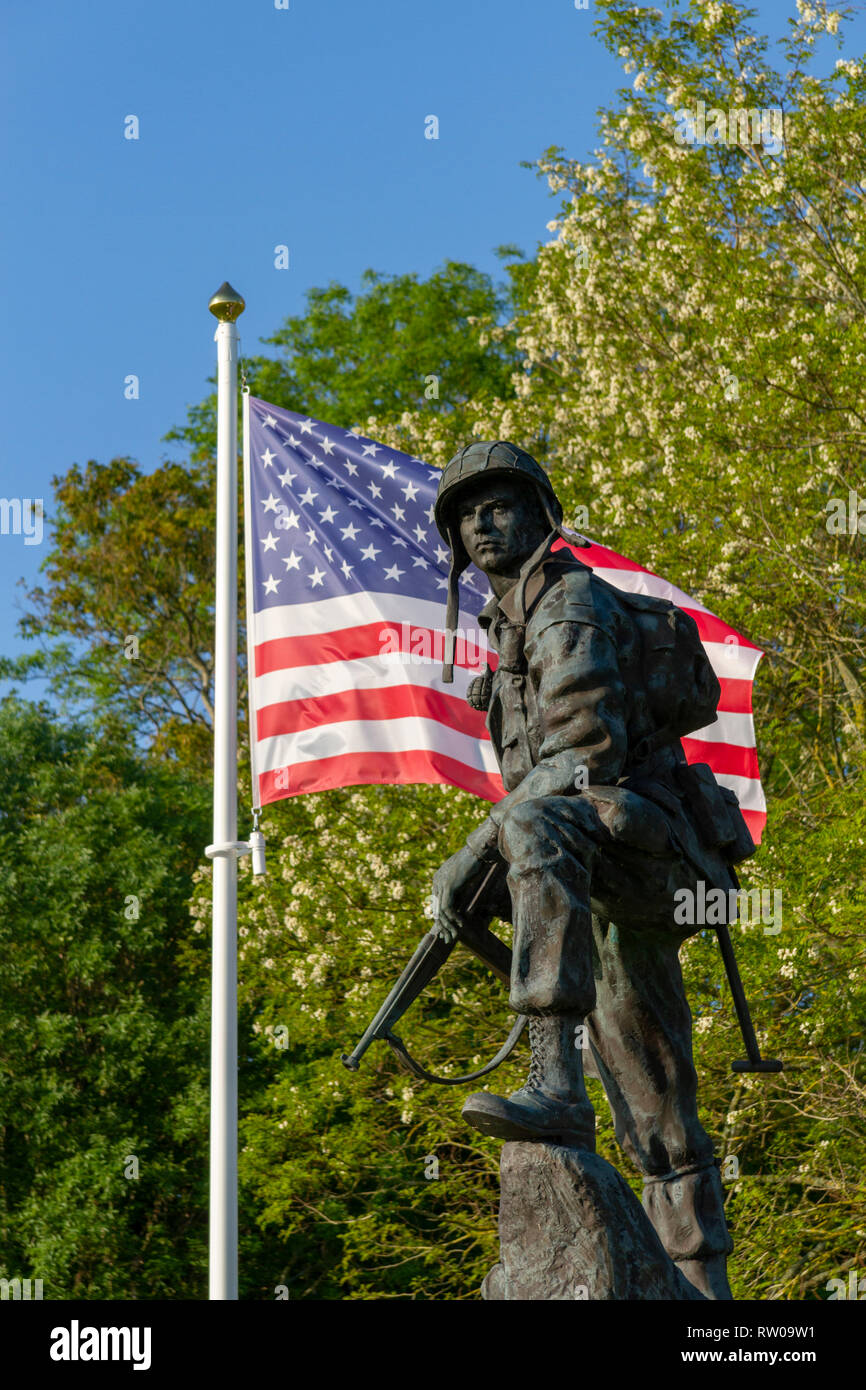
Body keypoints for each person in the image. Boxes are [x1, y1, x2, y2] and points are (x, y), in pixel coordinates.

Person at [430, 440, 755, 1301]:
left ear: (542, 515)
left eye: (500, 504)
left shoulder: (566, 603)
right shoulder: (507, 627)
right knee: (651, 1083)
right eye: (468, 513)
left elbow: (584, 750)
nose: (482, 521)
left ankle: (553, 1084)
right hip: (604, 860)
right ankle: (703, 1294)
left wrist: (479, 847)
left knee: (530, 822)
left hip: (651, 847)